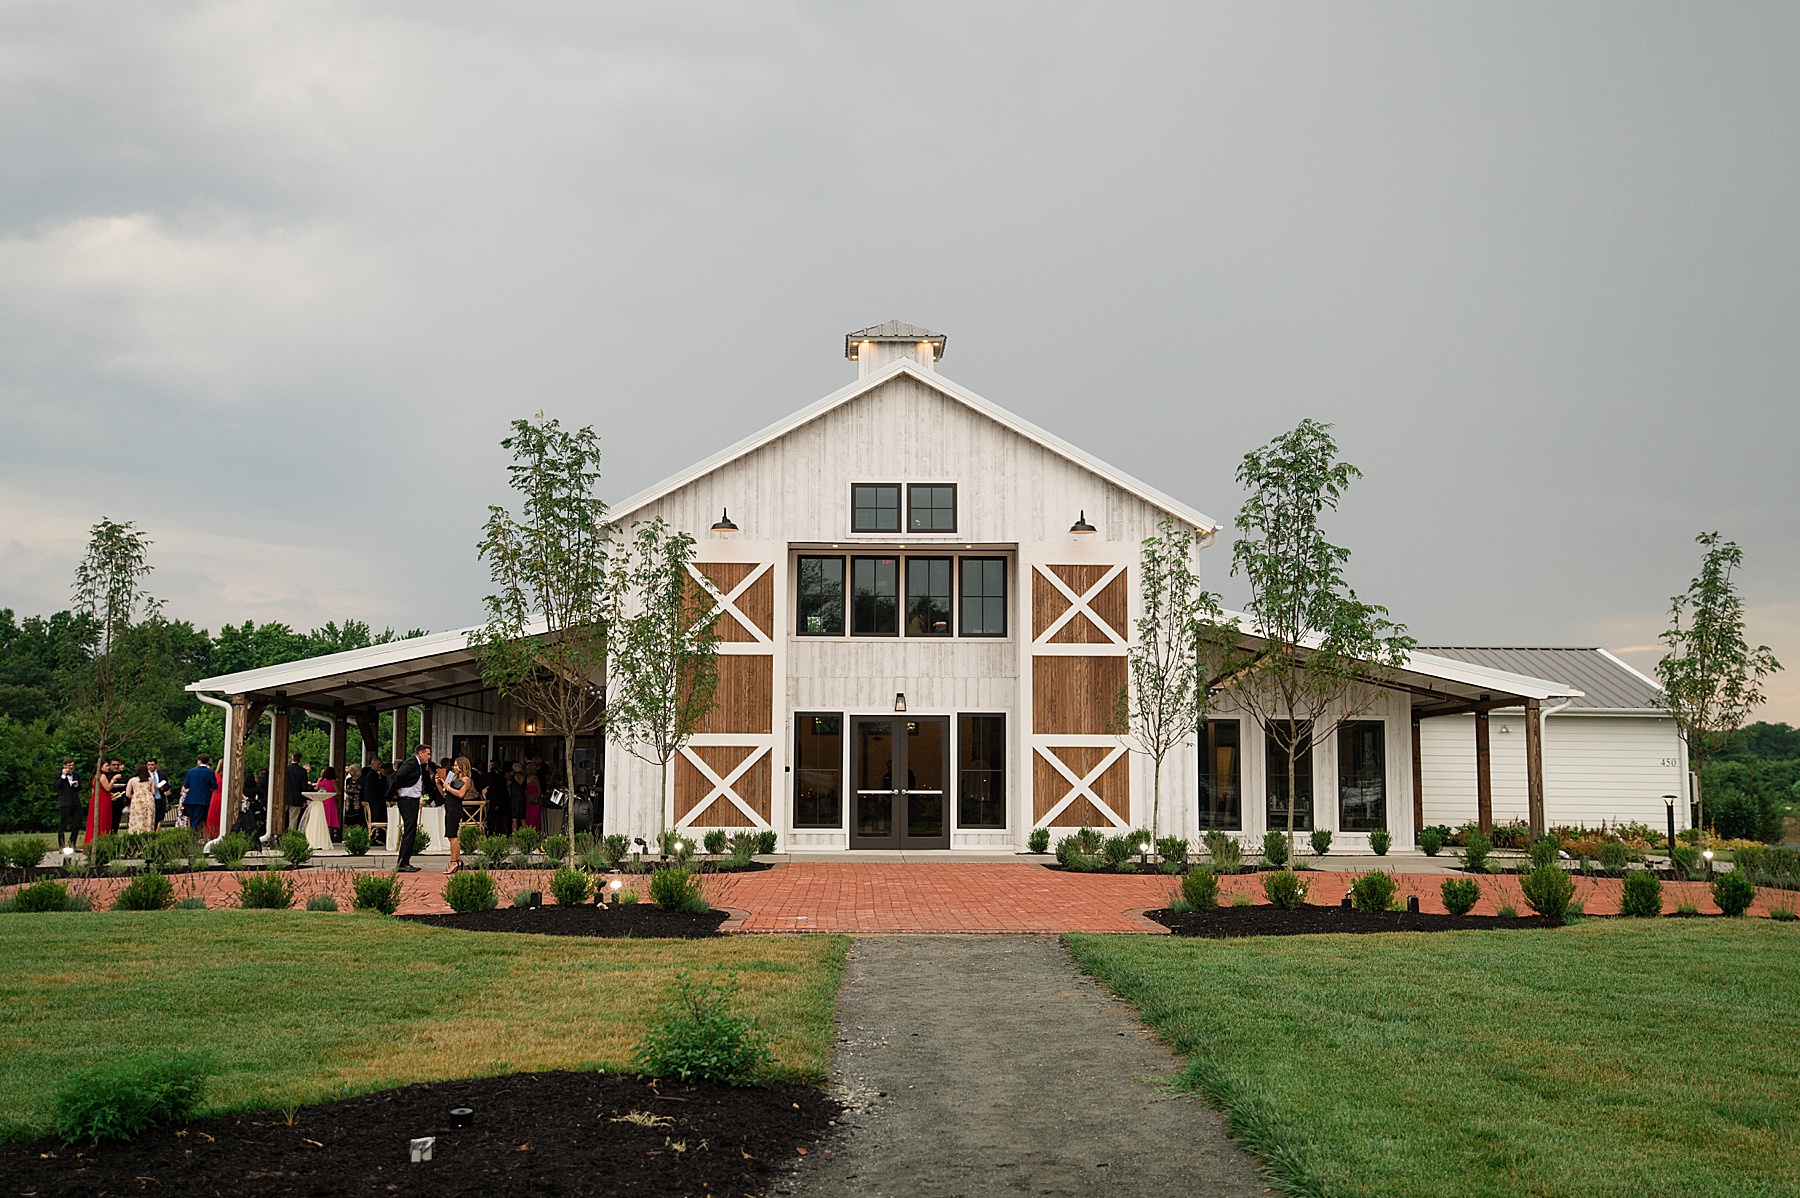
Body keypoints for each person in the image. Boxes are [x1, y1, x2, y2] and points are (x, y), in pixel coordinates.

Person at [389, 743, 436, 873]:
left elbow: (424, 780)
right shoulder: (411, 763)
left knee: (411, 830)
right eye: (427, 754)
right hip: (407, 800)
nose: (429, 757)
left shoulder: (420, 765)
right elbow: (399, 775)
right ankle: (402, 863)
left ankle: (405, 861)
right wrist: (397, 789)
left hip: (413, 799)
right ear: (420, 754)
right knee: (409, 830)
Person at [54, 759, 83, 851]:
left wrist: (76, 785)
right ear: (64, 766)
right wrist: (63, 776)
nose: (71, 767)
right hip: (65, 803)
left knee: (77, 823)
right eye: (69, 765)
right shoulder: (57, 775)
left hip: (75, 802)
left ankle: (72, 843)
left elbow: (80, 787)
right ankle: (61, 846)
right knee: (63, 825)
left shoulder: (76, 774)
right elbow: (56, 787)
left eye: (72, 765)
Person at [181, 755, 217, 832]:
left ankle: (192, 834)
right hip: (203, 799)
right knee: (197, 820)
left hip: (191, 799)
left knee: (192, 818)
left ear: (199, 761)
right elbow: (215, 786)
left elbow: (186, 785)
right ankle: (193, 834)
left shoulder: (191, 772)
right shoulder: (210, 773)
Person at [84, 760, 115, 845]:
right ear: (100, 767)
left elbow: (94, 791)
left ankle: (90, 842)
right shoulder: (102, 776)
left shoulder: (95, 777)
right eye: (106, 766)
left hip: (96, 799)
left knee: (94, 821)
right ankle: (101, 841)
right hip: (103, 801)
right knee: (103, 820)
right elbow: (108, 788)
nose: (108, 767)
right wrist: (113, 780)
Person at [362, 759, 390, 842]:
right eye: (378, 764)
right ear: (372, 764)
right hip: (374, 801)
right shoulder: (372, 774)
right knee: (373, 819)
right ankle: (369, 838)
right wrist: (384, 777)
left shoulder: (375, 774)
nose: (380, 766)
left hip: (376, 800)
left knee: (378, 818)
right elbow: (380, 786)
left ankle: (378, 836)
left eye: (380, 764)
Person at [443, 756, 472, 835]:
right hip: (449, 806)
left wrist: (448, 788)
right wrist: (439, 784)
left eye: (456, 765)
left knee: (452, 835)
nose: (454, 767)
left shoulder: (465, 779)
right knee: (449, 835)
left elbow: (461, 794)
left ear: (462, 766)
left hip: (455, 807)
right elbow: (444, 794)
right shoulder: (453, 777)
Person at [125, 765, 157, 833]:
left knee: (137, 817)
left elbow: (127, 794)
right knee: (148, 817)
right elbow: (153, 792)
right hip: (148, 799)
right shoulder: (150, 780)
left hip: (137, 800)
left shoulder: (132, 780)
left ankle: (136, 832)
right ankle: (148, 832)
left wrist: (134, 797)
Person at [284, 752, 309, 836]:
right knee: (293, 819)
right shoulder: (302, 771)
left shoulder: (285, 769)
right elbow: (304, 787)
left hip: (284, 797)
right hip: (296, 798)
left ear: (291, 758)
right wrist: (304, 800)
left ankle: (279, 834)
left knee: (280, 817)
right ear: (300, 760)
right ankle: (290, 836)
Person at [316, 766, 341, 842]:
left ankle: (320, 838)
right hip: (330, 802)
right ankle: (327, 839)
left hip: (322, 801)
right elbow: (338, 792)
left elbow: (317, 789)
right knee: (329, 821)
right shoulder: (333, 781)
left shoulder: (320, 781)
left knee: (322, 820)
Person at [146, 758, 171, 827]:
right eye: (149, 765)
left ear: (156, 765)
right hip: (149, 799)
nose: (150, 766)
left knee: (159, 817)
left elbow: (168, 786)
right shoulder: (145, 775)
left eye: (152, 765)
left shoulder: (162, 775)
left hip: (159, 798)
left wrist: (163, 788)